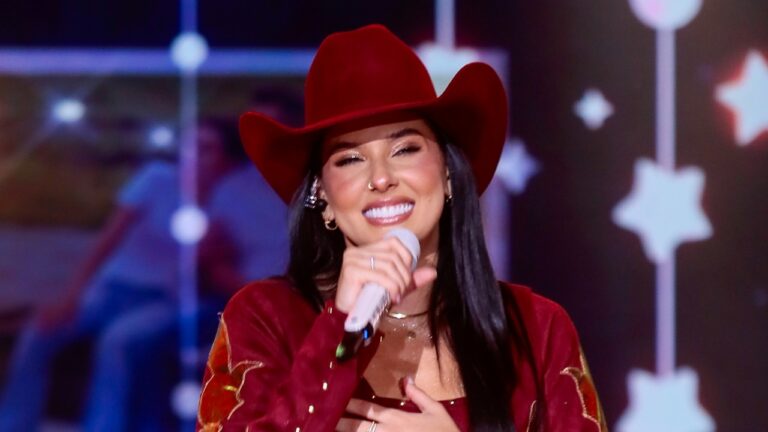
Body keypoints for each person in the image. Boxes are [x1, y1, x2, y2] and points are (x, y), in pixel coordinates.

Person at [196, 24, 607, 432]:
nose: (380, 178)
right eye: (349, 159)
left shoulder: (537, 328)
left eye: (405, 149)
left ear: (448, 174)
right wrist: (340, 327)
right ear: (322, 197)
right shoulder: (266, 318)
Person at [0, 118, 243, 432]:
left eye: (206, 148)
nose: (193, 155)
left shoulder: (227, 204)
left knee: (118, 340)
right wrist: (71, 297)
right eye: (190, 145)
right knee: (39, 333)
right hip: (112, 289)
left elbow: (208, 274)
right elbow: (105, 243)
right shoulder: (156, 179)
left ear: (226, 160)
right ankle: (13, 424)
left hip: (163, 301)